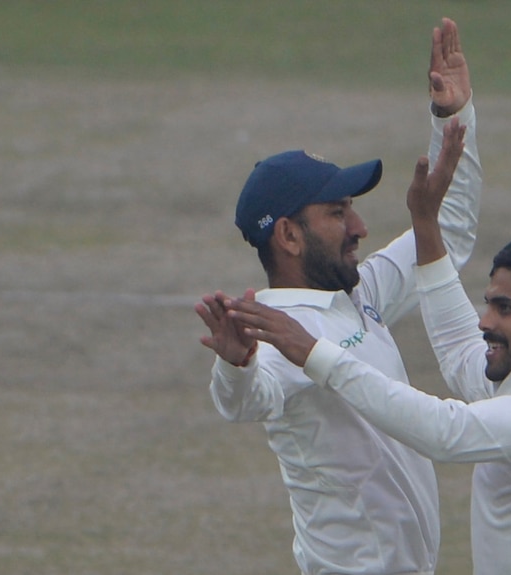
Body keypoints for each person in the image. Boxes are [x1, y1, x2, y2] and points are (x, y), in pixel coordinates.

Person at [227, 160, 511, 574]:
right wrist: (429, 201)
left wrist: (316, 353)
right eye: (489, 304)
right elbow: (459, 348)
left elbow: (449, 433)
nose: (485, 322)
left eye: (505, 309)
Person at [194, 17, 482, 575]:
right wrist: (236, 367)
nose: (359, 226)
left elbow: (452, 230)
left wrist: (453, 117)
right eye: (337, 212)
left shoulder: (359, 288)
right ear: (288, 235)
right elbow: (248, 402)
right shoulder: (276, 334)